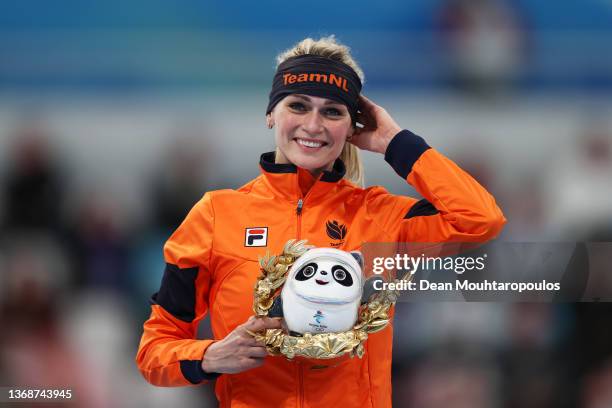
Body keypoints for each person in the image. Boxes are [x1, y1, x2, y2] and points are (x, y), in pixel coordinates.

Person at [135, 35, 506, 407]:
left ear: (352, 128)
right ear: (270, 114)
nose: (313, 125)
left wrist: (394, 141)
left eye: (333, 111)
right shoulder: (216, 215)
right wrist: (210, 356)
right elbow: (155, 350)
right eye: (298, 105)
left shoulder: (380, 216)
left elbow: (480, 218)